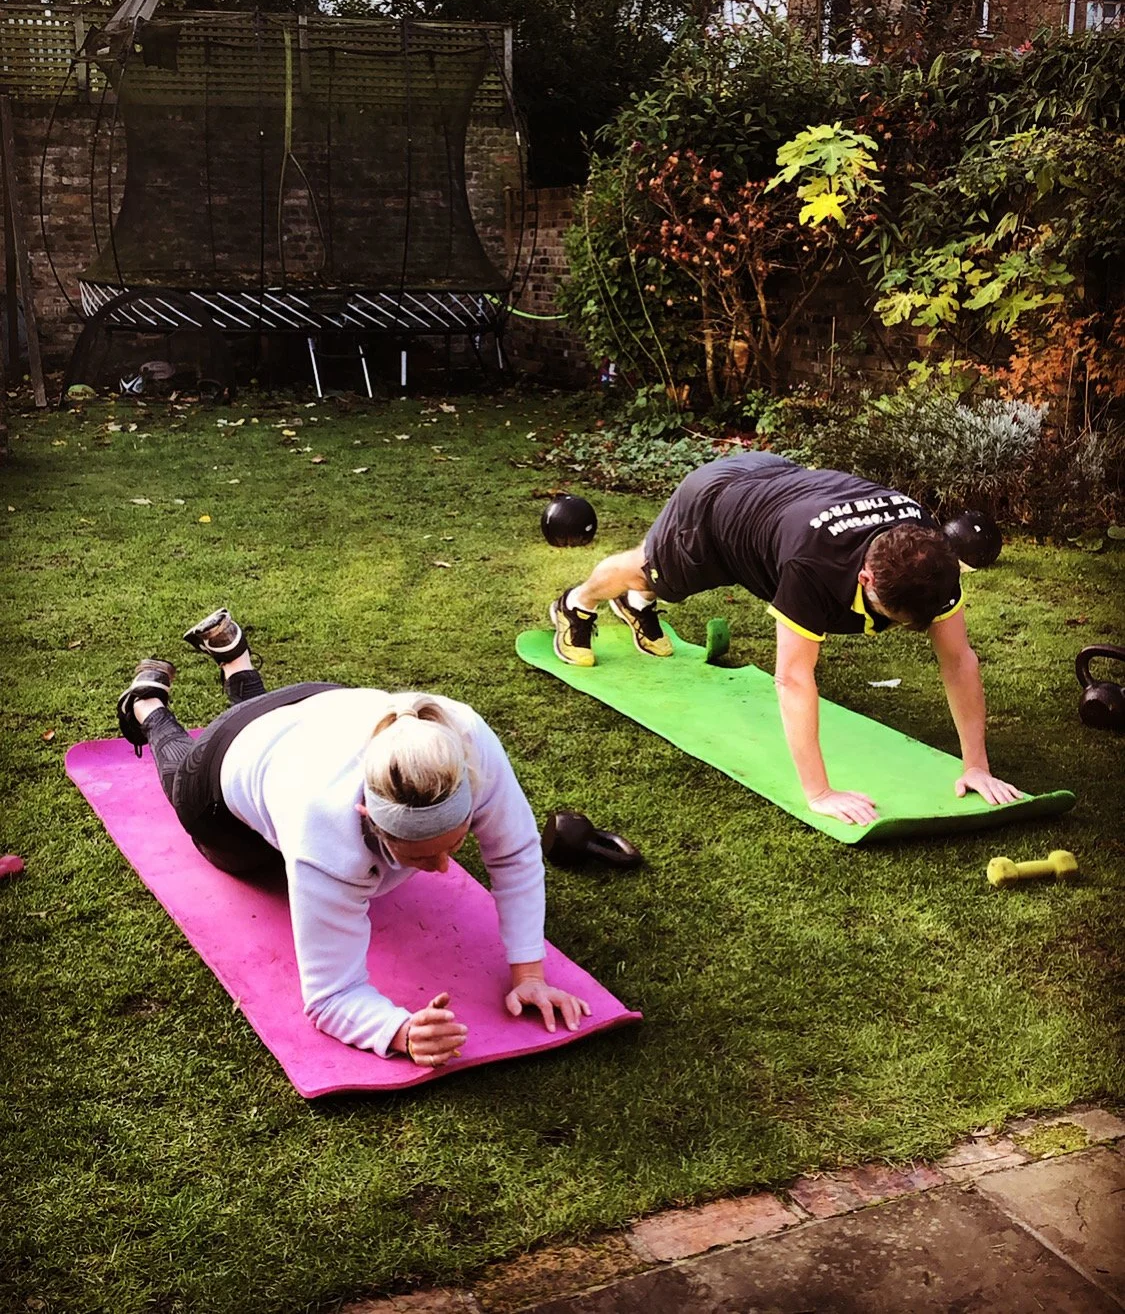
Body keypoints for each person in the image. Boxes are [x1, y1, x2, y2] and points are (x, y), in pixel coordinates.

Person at [116, 608, 589, 1067]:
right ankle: (148, 706)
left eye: (454, 845)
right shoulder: (323, 829)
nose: (444, 869)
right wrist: (400, 1032)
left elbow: (515, 854)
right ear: (367, 816)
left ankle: (237, 662)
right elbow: (329, 997)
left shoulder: (463, 741)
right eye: (422, 857)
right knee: (182, 780)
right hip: (227, 759)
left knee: (270, 738)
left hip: (315, 706)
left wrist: (529, 973)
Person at [549, 452, 1022, 827]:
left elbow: (959, 660)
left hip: (779, 483)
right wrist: (820, 792)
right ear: (865, 580)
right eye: (890, 618)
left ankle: (638, 603)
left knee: (657, 584)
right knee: (649, 571)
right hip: (717, 503)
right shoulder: (811, 564)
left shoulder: (930, 556)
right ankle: (579, 602)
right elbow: (793, 678)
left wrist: (976, 765)